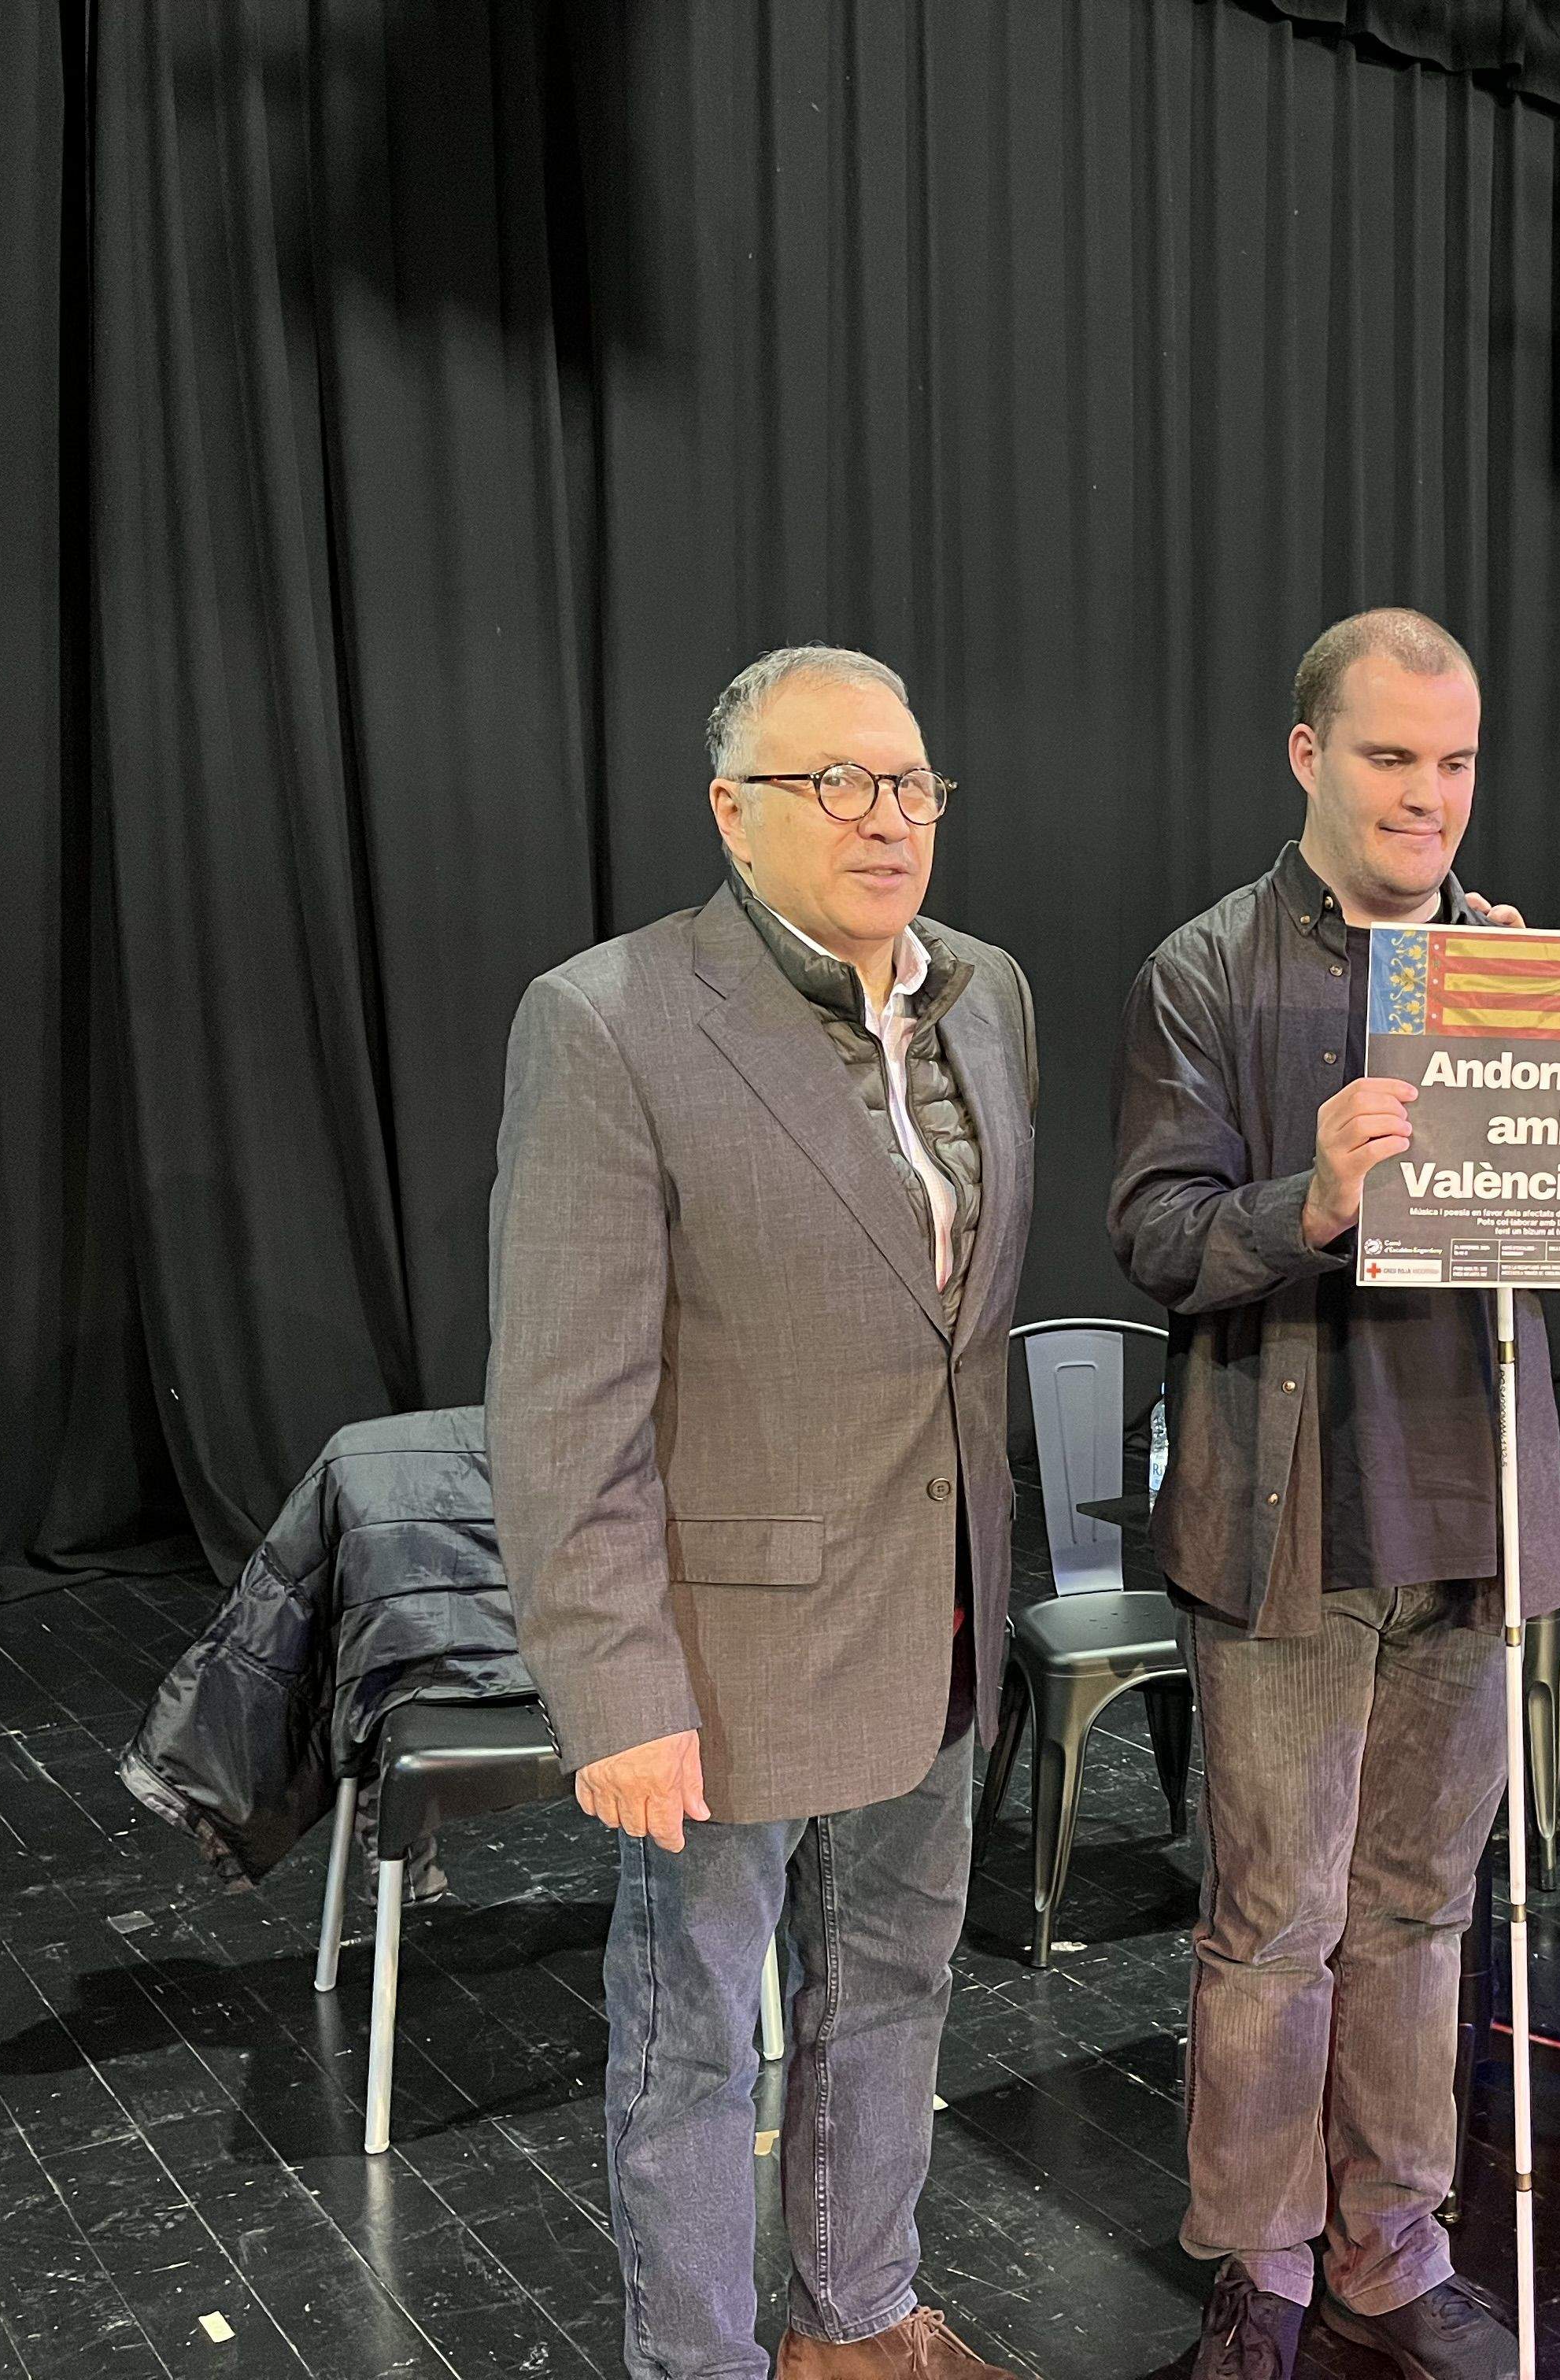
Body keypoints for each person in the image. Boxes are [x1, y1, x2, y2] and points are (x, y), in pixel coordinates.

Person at [490, 646, 1034, 2380]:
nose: (888, 818)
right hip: (720, 1660)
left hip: (940, 1620)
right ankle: (703, 2363)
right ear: (735, 813)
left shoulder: (989, 994)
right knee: (693, 2043)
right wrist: (616, 1688)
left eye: (913, 783)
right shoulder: (610, 1020)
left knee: (898, 1993)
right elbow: (566, 1399)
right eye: (838, 785)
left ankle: (859, 2318)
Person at [1110, 607, 1560, 2380]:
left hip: (1477, 1513)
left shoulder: (1518, 968)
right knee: (1277, 1919)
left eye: (1457, 758)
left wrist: (1536, 1154)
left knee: (1423, 1907)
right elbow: (1155, 1236)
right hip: (1286, 1524)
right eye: (1393, 755)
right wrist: (1311, 1199)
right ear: (1307, 755)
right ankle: (1257, 2264)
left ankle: (1389, 2243)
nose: (1431, 792)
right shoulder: (1202, 969)